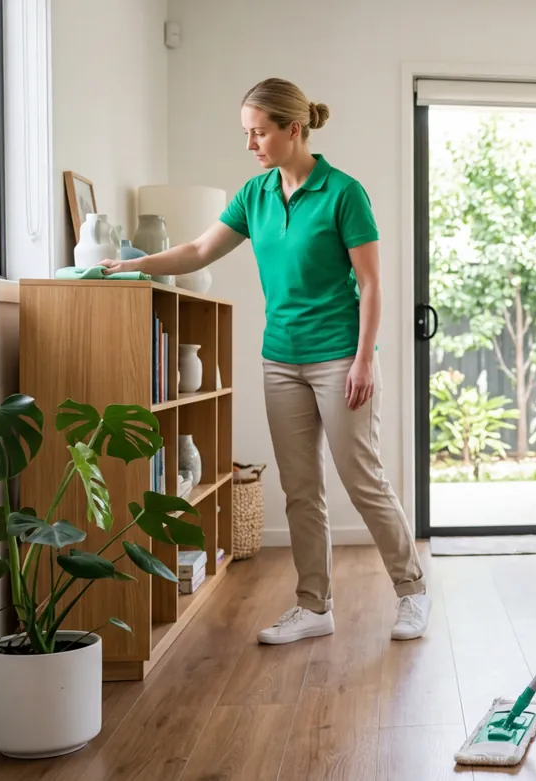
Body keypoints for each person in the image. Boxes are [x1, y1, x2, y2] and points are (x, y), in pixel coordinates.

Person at [99, 77, 430, 645]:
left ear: (292, 129)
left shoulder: (344, 193)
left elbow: (371, 284)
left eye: (258, 133)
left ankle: (411, 592)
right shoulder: (254, 195)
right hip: (280, 359)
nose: (250, 144)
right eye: (247, 133)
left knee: (362, 478)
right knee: (301, 488)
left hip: (338, 358)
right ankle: (313, 605)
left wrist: (364, 361)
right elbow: (201, 250)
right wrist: (132, 265)